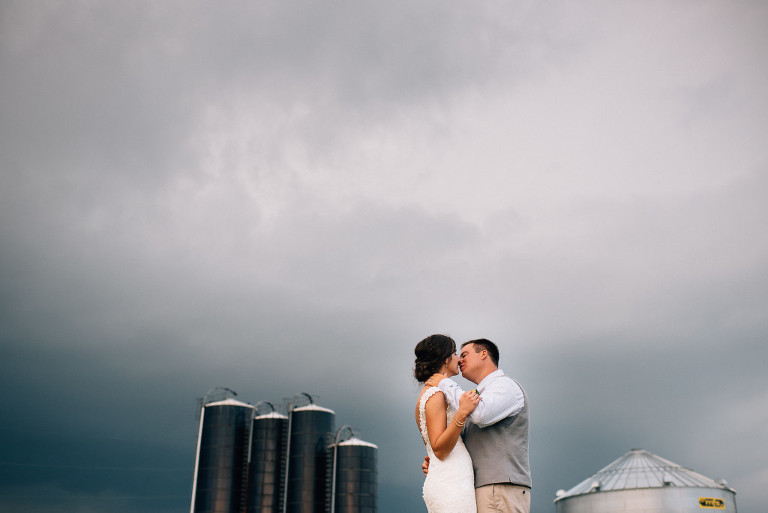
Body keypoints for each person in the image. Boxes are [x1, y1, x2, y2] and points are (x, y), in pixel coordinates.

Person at [425, 338, 531, 513]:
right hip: (482, 488)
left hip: (500, 487)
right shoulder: (477, 396)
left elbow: (481, 415)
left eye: (465, 354)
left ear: (483, 354)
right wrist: (442, 463)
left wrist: (443, 382)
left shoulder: (505, 386)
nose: (459, 360)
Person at [414, 334, 481, 513]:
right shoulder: (435, 394)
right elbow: (440, 450)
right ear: (445, 359)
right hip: (451, 483)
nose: (459, 359)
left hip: (453, 480)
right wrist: (462, 412)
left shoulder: (432, 393)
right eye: (455, 353)